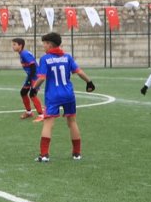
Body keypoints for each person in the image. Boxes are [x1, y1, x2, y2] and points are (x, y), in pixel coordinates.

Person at [31, 32, 95, 162]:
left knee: (48, 123)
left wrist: (34, 89)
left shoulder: (45, 59)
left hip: (53, 96)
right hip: (68, 94)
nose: (43, 46)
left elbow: (42, 78)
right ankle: (77, 154)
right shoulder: (67, 57)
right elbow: (79, 72)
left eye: (44, 43)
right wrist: (89, 82)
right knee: (72, 122)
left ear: (49, 44)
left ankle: (44, 155)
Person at [12, 38, 45, 121]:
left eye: (14, 44)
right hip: (31, 76)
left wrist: (30, 79)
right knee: (23, 92)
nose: (13, 46)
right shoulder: (22, 53)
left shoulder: (24, 54)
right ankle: (29, 112)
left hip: (36, 76)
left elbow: (33, 66)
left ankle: (42, 115)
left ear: (20, 45)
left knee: (32, 94)